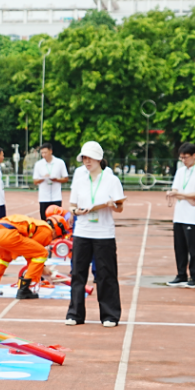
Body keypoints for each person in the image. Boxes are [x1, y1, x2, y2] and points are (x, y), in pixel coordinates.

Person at [67, 140, 126, 326]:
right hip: (82, 231)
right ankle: (75, 314)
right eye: (84, 158)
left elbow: (120, 207)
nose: (86, 161)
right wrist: (76, 212)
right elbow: (72, 205)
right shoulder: (79, 180)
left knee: (106, 274)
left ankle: (110, 315)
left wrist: (111, 205)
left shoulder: (111, 180)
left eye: (90, 157)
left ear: (99, 158)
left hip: (103, 234)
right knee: (78, 273)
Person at [0, 213, 58, 300]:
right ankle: (24, 289)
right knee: (42, 253)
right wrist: (42, 269)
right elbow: (31, 253)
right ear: (56, 230)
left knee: (4, 258)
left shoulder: (38, 224)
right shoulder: (47, 231)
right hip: (7, 233)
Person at [164, 143, 195, 289]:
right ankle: (181, 274)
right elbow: (174, 189)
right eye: (181, 157)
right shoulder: (180, 171)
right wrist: (186, 197)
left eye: (186, 157)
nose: (183, 160)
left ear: (194, 155)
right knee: (179, 247)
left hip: (192, 217)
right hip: (179, 215)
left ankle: (194, 277)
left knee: (193, 248)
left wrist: (180, 195)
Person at [32, 142, 68, 219]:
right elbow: (35, 181)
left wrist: (56, 179)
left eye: (45, 152)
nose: (43, 155)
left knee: (57, 219)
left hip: (56, 197)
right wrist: (42, 178)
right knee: (44, 219)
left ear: (50, 151)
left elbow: (66, 178)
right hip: (43, 197)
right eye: (42, 153)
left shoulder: (60, 162)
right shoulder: (38, 164)